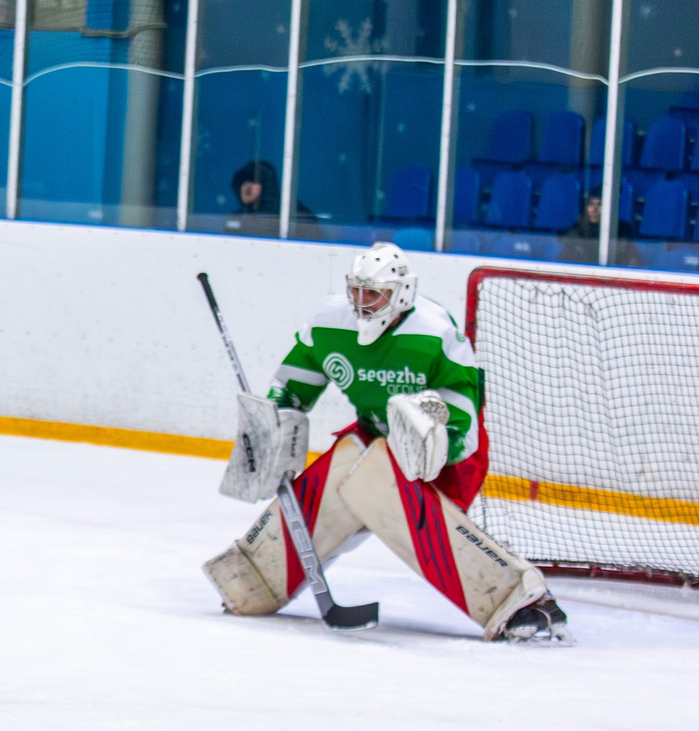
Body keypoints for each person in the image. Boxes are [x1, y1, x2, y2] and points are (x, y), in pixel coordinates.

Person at [202, 242, 569, 642]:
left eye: (373, 293)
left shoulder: (434, 333)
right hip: (375, 435)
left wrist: (432, 447)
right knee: (340, 472)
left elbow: (462, 418)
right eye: (355, 290)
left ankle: (523, 600)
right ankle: (255, 580)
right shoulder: (330, 323)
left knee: (387, 485)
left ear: (401, 293)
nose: (361, 302)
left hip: (445, 455)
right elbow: (291, 388)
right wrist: (271, 424)